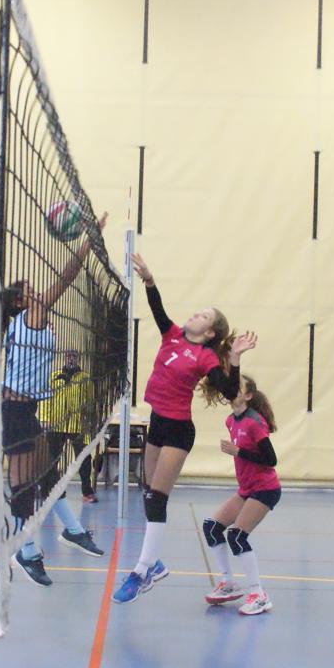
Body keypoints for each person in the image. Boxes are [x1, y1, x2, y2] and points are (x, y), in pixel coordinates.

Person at [0, 215, 109, 587]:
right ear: (21, 301)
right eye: (30, 290)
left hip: (24, 409)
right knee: (24, 489)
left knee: (46, 477)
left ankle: (72, 530)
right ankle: (27, 551)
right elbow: (63, 281)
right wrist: (85, 246)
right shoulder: (32, 317)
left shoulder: (31, 325)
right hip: (13, 411)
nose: (37, 293)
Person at [112, 252, 252, 604]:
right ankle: (154, 564)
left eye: (203, 315)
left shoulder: (205, 357)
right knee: (147, 493)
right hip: (156, 422)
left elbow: (231, 391)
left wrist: (233, 360)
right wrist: (149, 279)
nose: (195, 314)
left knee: (158, 498)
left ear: (209, 332)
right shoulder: (172, 335)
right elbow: (157, 309)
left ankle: (142, 569)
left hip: (178, 430)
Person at [202, 375, 280, 616]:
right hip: (246, 489)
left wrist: (239, 452)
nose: (232, 389)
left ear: (247, 396)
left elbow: (271, 460)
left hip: (265, 488)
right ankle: (228, 583)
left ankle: (259, 594)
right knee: (211, 527)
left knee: (236, 536)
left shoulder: (255, 423)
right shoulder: (230, 420)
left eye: (239, 387)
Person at [40, 349, 97, 504]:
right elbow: (46, 399)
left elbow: (90, 401)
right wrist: (45, 419)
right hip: (56, 424)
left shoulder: (85, 378)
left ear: (78, 359)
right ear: (64, 359)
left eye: (73, 357)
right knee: (52, 459)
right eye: (68, 357)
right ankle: (46, 490)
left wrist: (89, 419)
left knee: (84, 458)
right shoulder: (54, 376)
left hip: (77, 425)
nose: (71, 359)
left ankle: (87, 492)